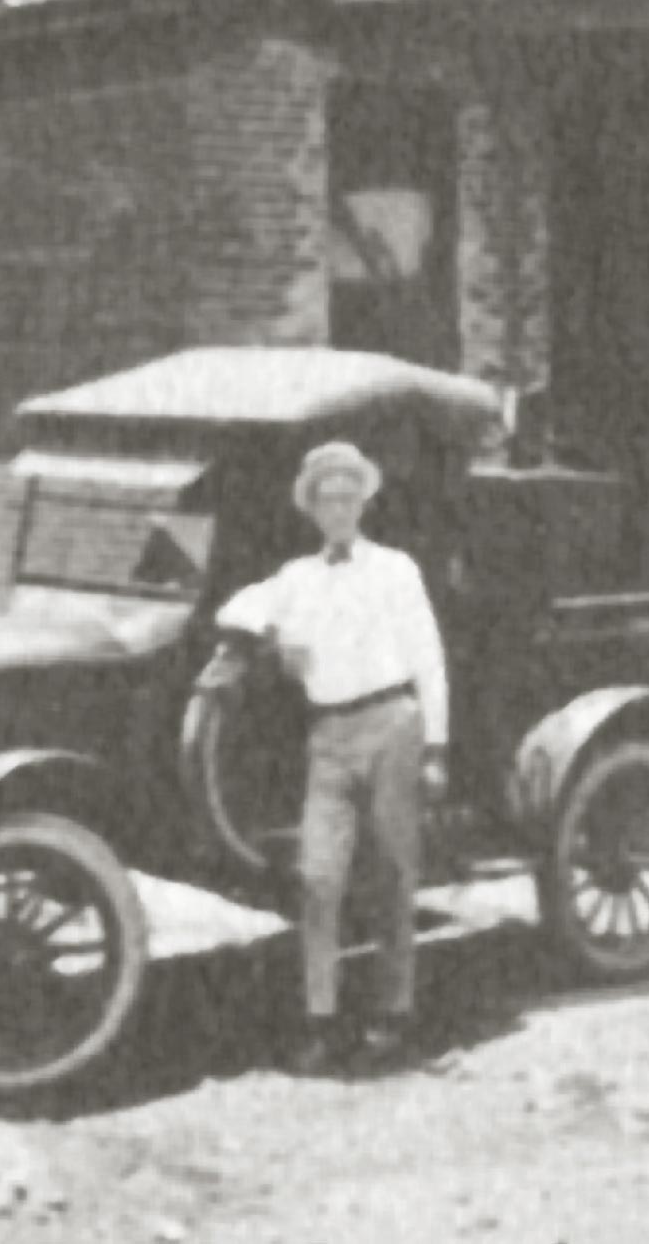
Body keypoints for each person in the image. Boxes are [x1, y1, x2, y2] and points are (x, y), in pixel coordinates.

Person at [217, 438, 448, 1074]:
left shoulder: (396, 569)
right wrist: (272, 633)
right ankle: (320, 1021)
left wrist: (437, 746)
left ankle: (392, 1017)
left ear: (363, 504)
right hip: (328, 737)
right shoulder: (297, 578)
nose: (339, 508)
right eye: (327, 498)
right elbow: (235, 607)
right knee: (319, 879)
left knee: (394, 874)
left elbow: (428, 657)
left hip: (393, 724)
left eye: (349, 497)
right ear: (312, 509)